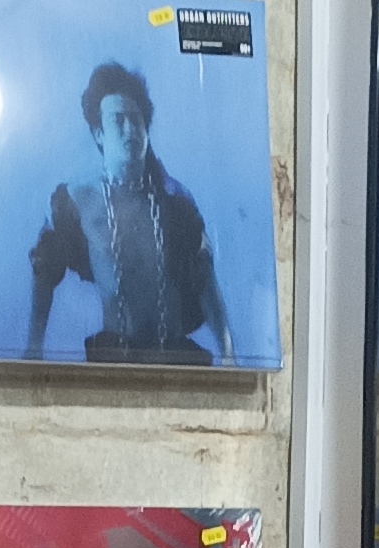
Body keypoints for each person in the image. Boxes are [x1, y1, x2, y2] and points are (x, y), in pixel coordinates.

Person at [24, 64, 232, 363]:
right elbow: (44, 269)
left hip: (176, 357)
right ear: (99, 133)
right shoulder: (76, 200)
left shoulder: (175, 200)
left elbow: (206, 282)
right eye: (117, 120)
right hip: (114, 360)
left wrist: (229, 354)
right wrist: (34, 347)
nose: (130, 130)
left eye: (136, 120)